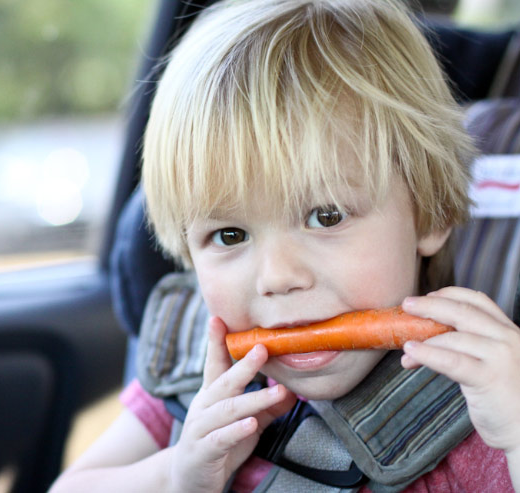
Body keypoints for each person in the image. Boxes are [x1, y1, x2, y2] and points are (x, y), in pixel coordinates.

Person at [50, 0, 520, 491]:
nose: (278, 276)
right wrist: (179, 472)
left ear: (430, 213)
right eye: (230, 235)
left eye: (326, 216)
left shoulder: (482, 411)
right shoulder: (192, 376)